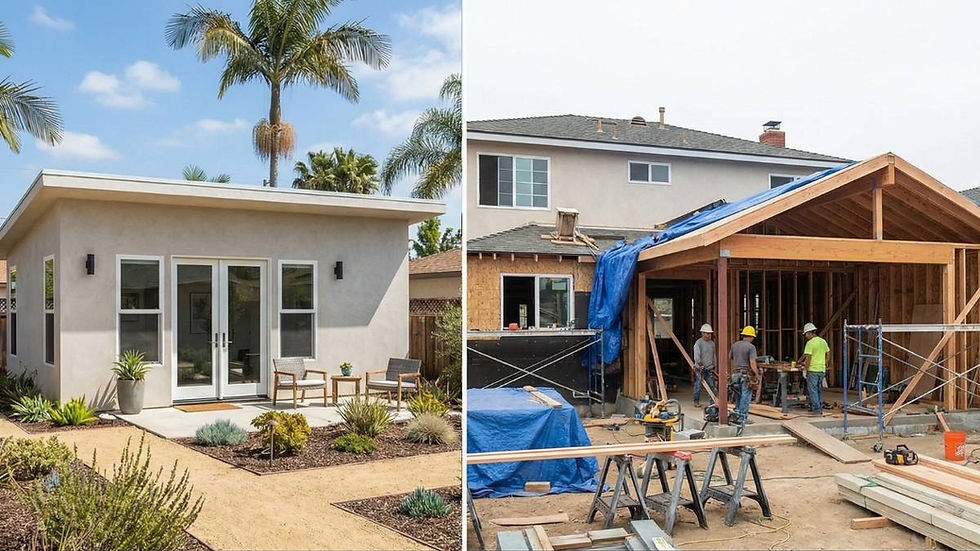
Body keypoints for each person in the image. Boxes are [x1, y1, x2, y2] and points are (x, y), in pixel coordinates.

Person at [798, 322, 830, 416]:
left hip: (812, 370)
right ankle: (819, 408)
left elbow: (808, 358)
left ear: (809, 333)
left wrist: (805, 369)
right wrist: (824, 363)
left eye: (806, 334)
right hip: (821, 370)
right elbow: (828, 353)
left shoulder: (810, 343)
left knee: (813, 390)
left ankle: (816, 410)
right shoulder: (822, 341)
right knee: (819, 390)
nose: (805, 336)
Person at [729, 326, 759, 424]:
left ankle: (737, 415)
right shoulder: (751, 347)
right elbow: (752, 362)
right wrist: (757, 374)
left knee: (738, 395)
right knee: (746, 396)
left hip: (735, 374)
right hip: (745, 374)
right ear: (750, 336)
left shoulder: (734, 345)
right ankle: (743, 418)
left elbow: (731, 357)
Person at [692, 323, 717, 407]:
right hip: (700, 369)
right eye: (707, 333)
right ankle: (696, 401)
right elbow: (696, 356)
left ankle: (712, 402)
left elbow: (714, 355)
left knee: (712, 386)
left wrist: (714, 365)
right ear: (702, 333)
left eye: (709, 333)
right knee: (698, 385)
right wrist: (700, 364)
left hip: (709, 368)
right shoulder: (698, 343)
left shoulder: (712, 343)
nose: (708, 335)